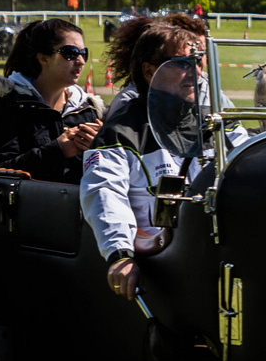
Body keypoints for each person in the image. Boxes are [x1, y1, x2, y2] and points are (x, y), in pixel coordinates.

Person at [82, 20, 243, 301]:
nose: (194, 71)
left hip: (218, 255)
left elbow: (249, 162)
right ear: (149, 70)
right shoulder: (123, 128)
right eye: (181, 63)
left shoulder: (216, 118)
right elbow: (103, 192)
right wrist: (120, 255)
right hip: (159, 264)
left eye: (199, 62)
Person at [0, 18, 104, 182]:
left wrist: (102, 146)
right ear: (43, 58)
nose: (80, 61)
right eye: (70, 53)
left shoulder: (88, 110)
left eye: (83, 53)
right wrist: (57, 151)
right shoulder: (9, 106)